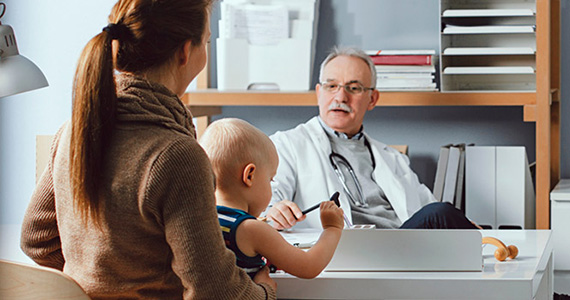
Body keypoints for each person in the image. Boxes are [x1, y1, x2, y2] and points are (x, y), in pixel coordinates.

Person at [19, 0, 276, 299]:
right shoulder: (177, 156)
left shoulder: (71, 133)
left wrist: (101, 284)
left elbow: (37, 240)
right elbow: (214, 291)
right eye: (205, 42)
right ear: (184, 51)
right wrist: (265, 292)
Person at [265, 46, 478, 231]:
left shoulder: (392, 158)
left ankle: (484, 243)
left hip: (405, 249)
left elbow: (426, 208)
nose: (340, 97)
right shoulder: (287, 145)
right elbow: (267, 200)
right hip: (344, 252)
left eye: (354, 88)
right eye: (331, 86)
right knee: (441, 213)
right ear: (319, 92)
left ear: (372, 99)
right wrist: (274, 211)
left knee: (440, 214)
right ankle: (485, 243)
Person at [199, 118, 344, 279]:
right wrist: (332, 229)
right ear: (249, 175)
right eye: (270, 179)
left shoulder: (200, 218)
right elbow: (308, 266)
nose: (271, 185)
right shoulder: (251, 229)